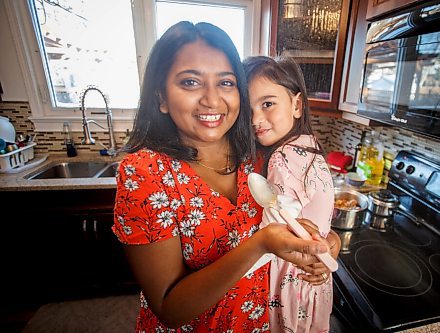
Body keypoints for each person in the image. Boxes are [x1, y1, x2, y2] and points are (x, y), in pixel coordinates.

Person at [112, 21, 340, 332]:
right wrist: (260, 244)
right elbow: (169, 308)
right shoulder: (145, 175)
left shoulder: (255, 153)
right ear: (161, 97)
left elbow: (299, 212)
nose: (212, 99)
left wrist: (326, 241)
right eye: (190, 82)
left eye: (226, 83)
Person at [243, 55, 335, 333]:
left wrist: (231, 275)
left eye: (268, 104)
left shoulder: (283, 157)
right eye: (248, 110)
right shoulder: (308, 144)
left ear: (296, 105)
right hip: (315, 281)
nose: (256, 119)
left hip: (291, 281)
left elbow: (270, 236)